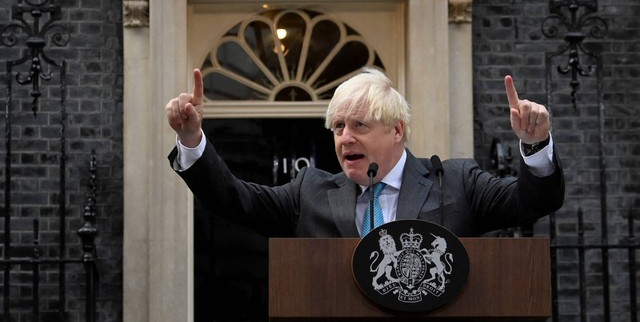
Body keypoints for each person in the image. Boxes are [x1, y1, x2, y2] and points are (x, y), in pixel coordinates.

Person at [166, 67, 564, 238]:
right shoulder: (310, 191)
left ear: (397, 130)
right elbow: (236, 201)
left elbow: (531, 202)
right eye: (338, 127)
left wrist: (534, 146)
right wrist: (191, 140)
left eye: (359, 125)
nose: (345, 138)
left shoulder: (456, 182)